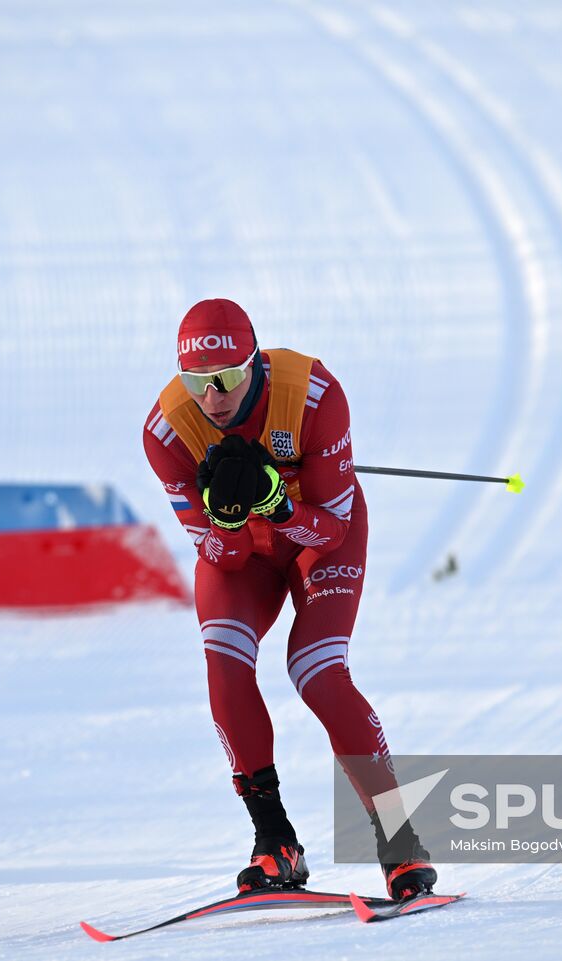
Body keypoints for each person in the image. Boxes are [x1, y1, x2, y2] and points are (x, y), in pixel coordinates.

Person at [142, 298, 437, 899]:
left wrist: (276, 500)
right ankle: (274, 840)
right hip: (247, 553)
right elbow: (219, 557)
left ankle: (401, 844)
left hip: (317, 540)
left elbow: (330, 530)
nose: (213, 397)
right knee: (223, 667)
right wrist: (225, 519)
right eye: (198, 382)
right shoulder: (167, 431)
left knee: (317, 671)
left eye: (226, 378)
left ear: (256, 364)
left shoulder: (314, 396)